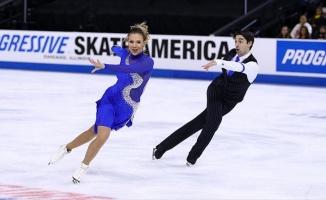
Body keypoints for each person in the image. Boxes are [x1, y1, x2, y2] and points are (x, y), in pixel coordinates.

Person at [48, 22, 154, 183]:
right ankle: (83, 166)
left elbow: (126, 70)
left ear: (144, 42)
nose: (134, 45)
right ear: (127, 41)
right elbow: (117, 49)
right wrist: (115, 49)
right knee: (103, 134)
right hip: (110, 99)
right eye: (131, 41)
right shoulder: (125, 53)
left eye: (138, 42)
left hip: (126, 108)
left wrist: (105, 64)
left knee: (93, 132)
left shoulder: (147, 62)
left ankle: (66, 148)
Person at [152, 30, 259, 166]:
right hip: (216, 90)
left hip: (230, 101)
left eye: (241, 41)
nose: (237, 44)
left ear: (249, 43)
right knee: (214, 121)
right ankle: (192, 158)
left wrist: (220, 62)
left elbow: (239, 67)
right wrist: (221, 62)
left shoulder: (253, 66)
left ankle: (161, 148)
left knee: (199, 122)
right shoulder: (231, 53)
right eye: (236, 41)